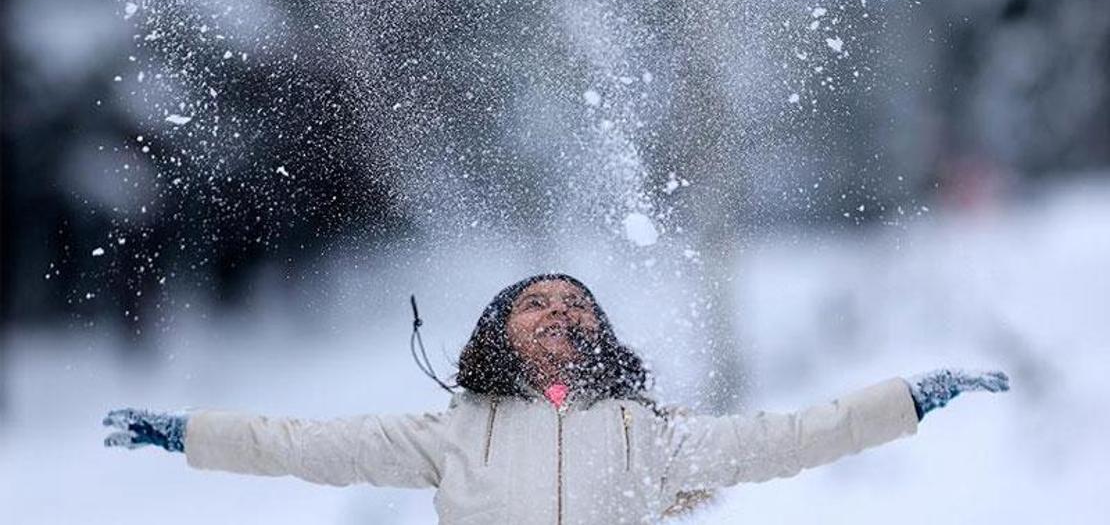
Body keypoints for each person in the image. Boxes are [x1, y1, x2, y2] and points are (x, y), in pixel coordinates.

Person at [103, 273, 1010, 524]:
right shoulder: (450, 433)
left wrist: (909, 399)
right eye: (536, 301)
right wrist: (187, 433)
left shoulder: (650, 436)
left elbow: (793, 436)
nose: (561, 310)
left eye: (578, 304)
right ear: (498, 332)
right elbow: (299, 442)